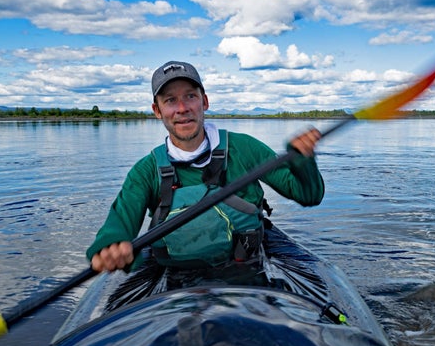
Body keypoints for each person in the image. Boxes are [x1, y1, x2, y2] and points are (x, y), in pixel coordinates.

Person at [87, 60, 324, 272]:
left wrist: (302, 159)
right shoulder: (146, 171)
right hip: (176, 275)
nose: (182, 108)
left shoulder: (245, 149)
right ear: (157, 111)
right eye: (170, 100)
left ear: (205, 101)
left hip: (246, 267)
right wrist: (110, 247)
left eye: (190, 96)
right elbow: (119, 223)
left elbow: (308, 195)